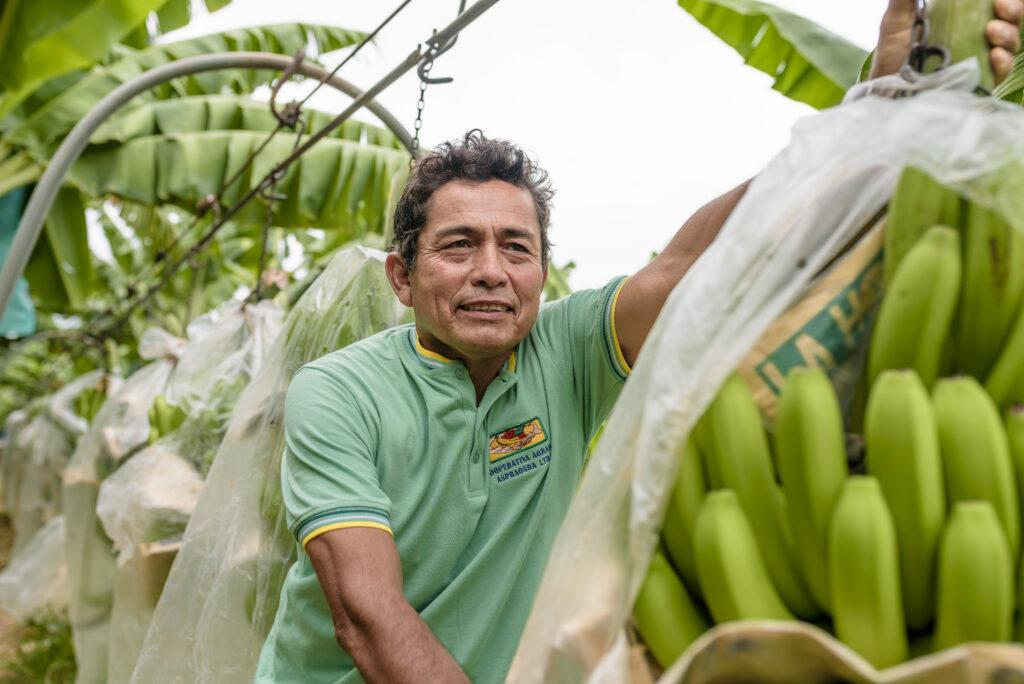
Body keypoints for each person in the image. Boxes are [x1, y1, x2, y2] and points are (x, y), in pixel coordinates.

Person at [255, 2, 1023, 681]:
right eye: (459, 246)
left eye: (517, 248)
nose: (492, 271)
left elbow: (684, 266)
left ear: (542, 272)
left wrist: (875, 105)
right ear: (402, 276)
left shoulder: (564, 351)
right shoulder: (341, 392)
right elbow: (366, 613)